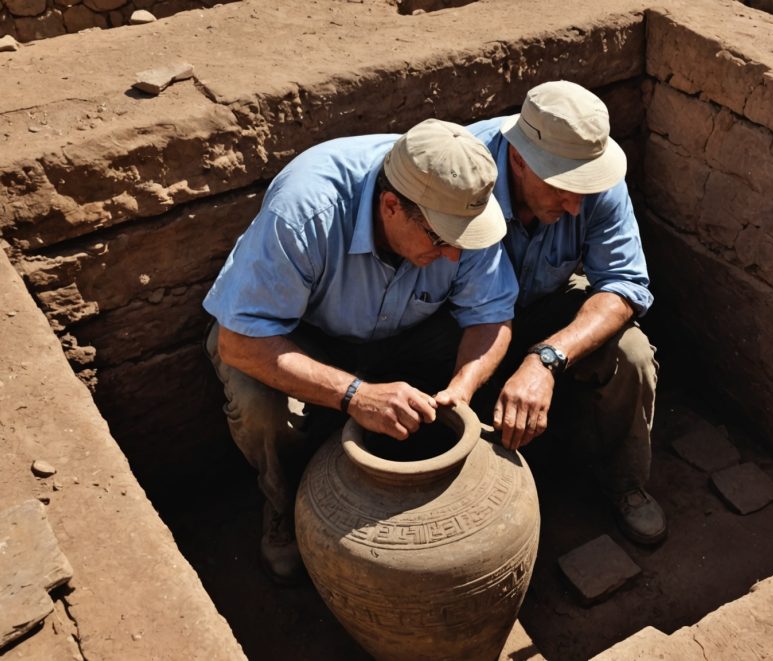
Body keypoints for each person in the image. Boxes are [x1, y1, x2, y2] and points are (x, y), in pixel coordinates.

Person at [202, 119, 518, 582]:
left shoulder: (457, 206)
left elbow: (492, 314)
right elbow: (239, 341)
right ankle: (283, 505)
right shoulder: (307, 211)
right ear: (391, 206)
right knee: (259, 405)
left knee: (472, 353)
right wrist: (356, 394)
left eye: (462, 240)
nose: (454, 256)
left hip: (407, 329)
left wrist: (461, 391)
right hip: (303, 335)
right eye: (441, 239)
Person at [468, 81, 666, 545]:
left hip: (542, 302)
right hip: (460, 322)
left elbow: (624, 283)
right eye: (564, 187)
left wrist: (546, 359)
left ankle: (623, 482)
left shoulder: (596, 179)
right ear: (519, 160)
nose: (577, 205)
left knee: (632, 354)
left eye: (586, 188)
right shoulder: (464, 172)